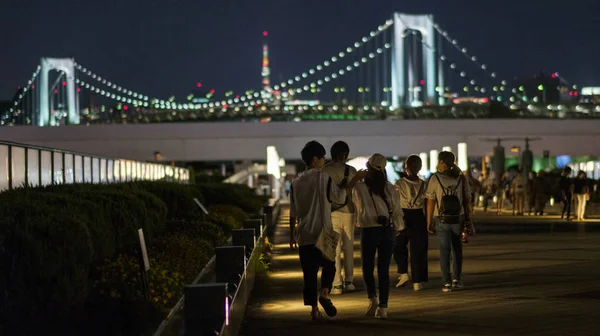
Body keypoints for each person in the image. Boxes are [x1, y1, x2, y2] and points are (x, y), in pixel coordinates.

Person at [289, 140, 365, 320]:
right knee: (329, 266)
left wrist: (292, 234)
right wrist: (353, 181)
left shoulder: (296, 182)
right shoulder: (323, 178)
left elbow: (293, 211)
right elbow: (339, 197)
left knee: (309, 274)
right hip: (323, 231)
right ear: (315, 159)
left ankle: (314, 310)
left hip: (305, 234)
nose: (324, 161)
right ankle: (324, 294)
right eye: (322, 158)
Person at [353, 153, 404, 320]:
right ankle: (383, 308)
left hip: (369, 230)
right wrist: (396, 229)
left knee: (367, 268)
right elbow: (397, 212)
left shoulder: (359, 187)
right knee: (384, 270)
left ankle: (372, 298)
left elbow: (345, 193)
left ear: (367, 168)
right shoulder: (390, 188)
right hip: (387, 230)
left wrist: (355, 177)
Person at [425, 151, 472, 292]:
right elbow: (467, 200)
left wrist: (428, 221)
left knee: (444, 250)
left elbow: (430, 202)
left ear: (442, 163)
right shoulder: (461, 178)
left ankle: (446, 282)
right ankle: (457, 279)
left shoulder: (434, 179)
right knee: (457, 249)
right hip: (459, 217)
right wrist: (468, 218)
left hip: (441, 218)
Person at [321, 141, 358, 294]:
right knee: (349, 247)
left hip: (331, 212)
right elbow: (356, 194)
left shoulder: (324, 170)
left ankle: (336, 284)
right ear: (346, 155)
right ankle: (349, 281)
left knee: (334, 248)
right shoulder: (353, 171)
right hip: (349, 211)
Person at [393, 155, 428, 291]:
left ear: (406, 167)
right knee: (418, 249)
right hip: (419, 216)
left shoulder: (399, 183)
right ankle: (417, 282)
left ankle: (403, 273)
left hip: (402, 215)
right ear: (419, 168)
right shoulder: (424, 184)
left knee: (398, 246)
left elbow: (395, 202)